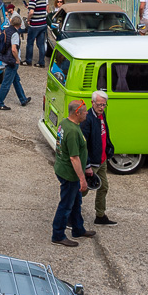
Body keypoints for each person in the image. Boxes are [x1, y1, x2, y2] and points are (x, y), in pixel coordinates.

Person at [50, 100, 94, 247]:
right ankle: (58, 235)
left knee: (76, 202)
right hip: (70, 174)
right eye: (85, 111)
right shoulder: (73, 132)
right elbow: (74, 158)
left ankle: (78, 229)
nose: (87, 113)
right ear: (77, 113)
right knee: (66, 205)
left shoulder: (65, 123)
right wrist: (82, 179)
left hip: (63, 169)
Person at [83, 90, 116, 226]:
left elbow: (104, 134)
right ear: (92, 103)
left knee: (103, 187)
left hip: (101, 160)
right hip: (92, 162)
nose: (102, 108)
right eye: (99, 105)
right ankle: (69, 215)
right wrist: (87, 165)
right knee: (82, 190)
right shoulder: (87, 120)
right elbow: (82, 145)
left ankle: (100, 215)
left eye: (104, 105)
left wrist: (109, 150)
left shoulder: (101, 115)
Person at [0, 14, 30, 111]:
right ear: (19, 24)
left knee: (16, 80)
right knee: (6, 83)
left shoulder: (6, 30)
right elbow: (14, 49)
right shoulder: (15, 34)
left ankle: (23, 99)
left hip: (6, 58)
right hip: (12, 61)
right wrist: (17, 60)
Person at [23, 0, 49, 65]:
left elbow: (31, 12)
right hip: (43, 23)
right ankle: (41, 62)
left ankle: (28, 60)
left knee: (30, 43)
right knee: (41, 44)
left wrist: (28, 19)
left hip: (35, 24)